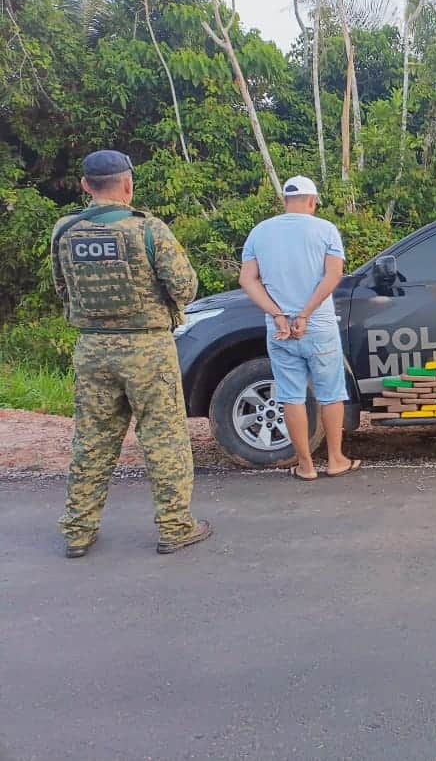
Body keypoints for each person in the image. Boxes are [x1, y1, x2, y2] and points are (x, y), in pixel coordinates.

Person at [52, 150, 212, 558]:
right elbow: (185, 288)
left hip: (92, 348)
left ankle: (77, 531)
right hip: (148, 348)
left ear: (85, 185)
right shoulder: (149, 230)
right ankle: (175, 527)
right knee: (164, 439)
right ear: (128, 185)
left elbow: (63, 289)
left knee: (92, 441)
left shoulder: (64, 232)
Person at [239, 175, 360, 481]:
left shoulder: (260, 232)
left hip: (279, 330)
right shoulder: (325, 230)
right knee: (331, 392)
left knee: (291, 396)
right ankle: (335, 459)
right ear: (312, 201)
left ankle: (305, 465)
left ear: (284, 202)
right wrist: (305, 313)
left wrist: (278, 314)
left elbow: (247, 279)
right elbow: (333, 276)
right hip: (317, 326)